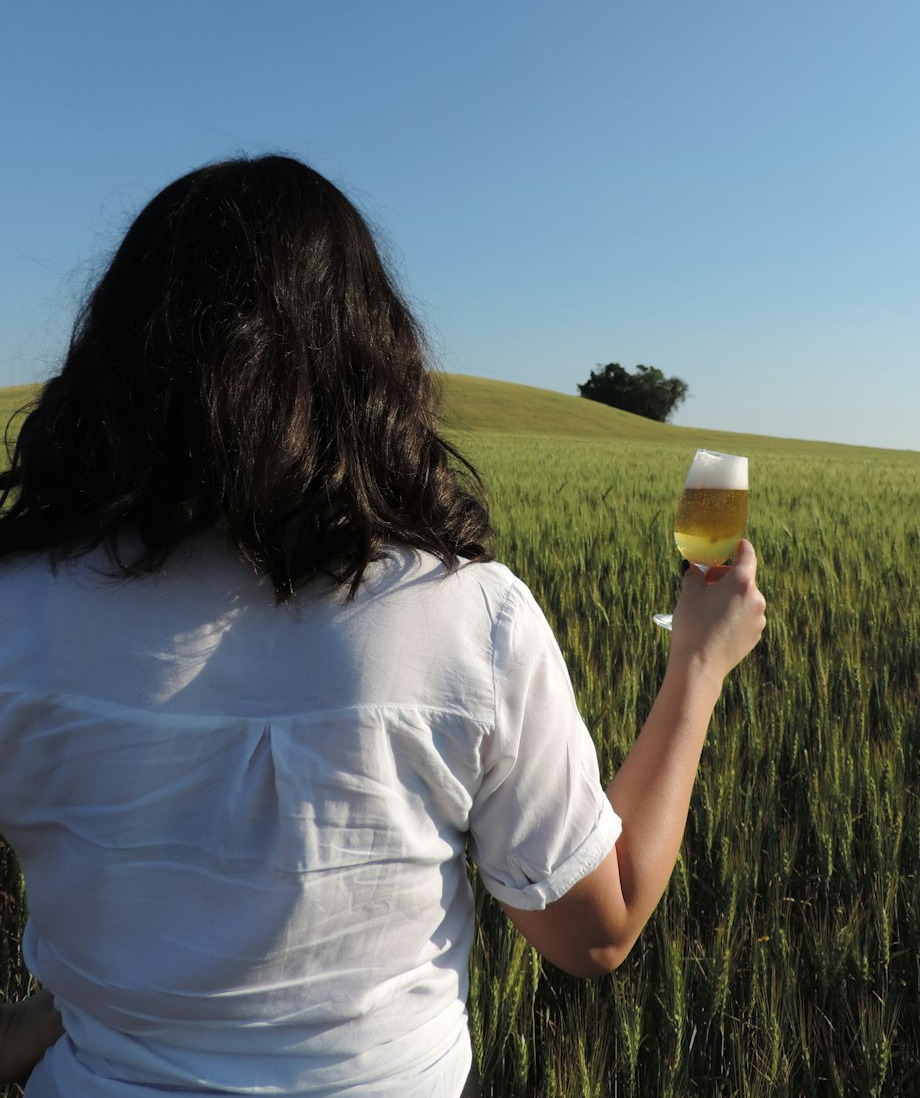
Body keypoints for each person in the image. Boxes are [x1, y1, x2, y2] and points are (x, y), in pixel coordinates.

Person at [0, 155, 765, 1096]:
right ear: (371, 355)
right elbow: (597, 932)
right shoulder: (468, 619)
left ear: (114, 355)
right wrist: (697, 663)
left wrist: (83, 1014)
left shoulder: (15, 611)